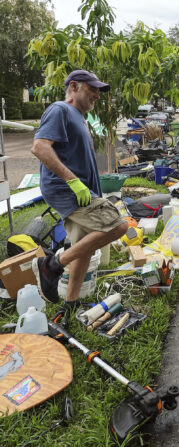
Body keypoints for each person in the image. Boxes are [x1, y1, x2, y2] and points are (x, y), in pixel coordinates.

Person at [30, 70, 128, 307]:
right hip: (67, 189)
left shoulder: (80, 117)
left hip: (84, 192)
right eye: (91, 88)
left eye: (98, 90)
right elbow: (40, 147)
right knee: (118, 225)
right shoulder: (60, 110)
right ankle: (51, 265)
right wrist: (73, 181)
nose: (96, 94)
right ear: (73, 87)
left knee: (84, 247)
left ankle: (70, 303)